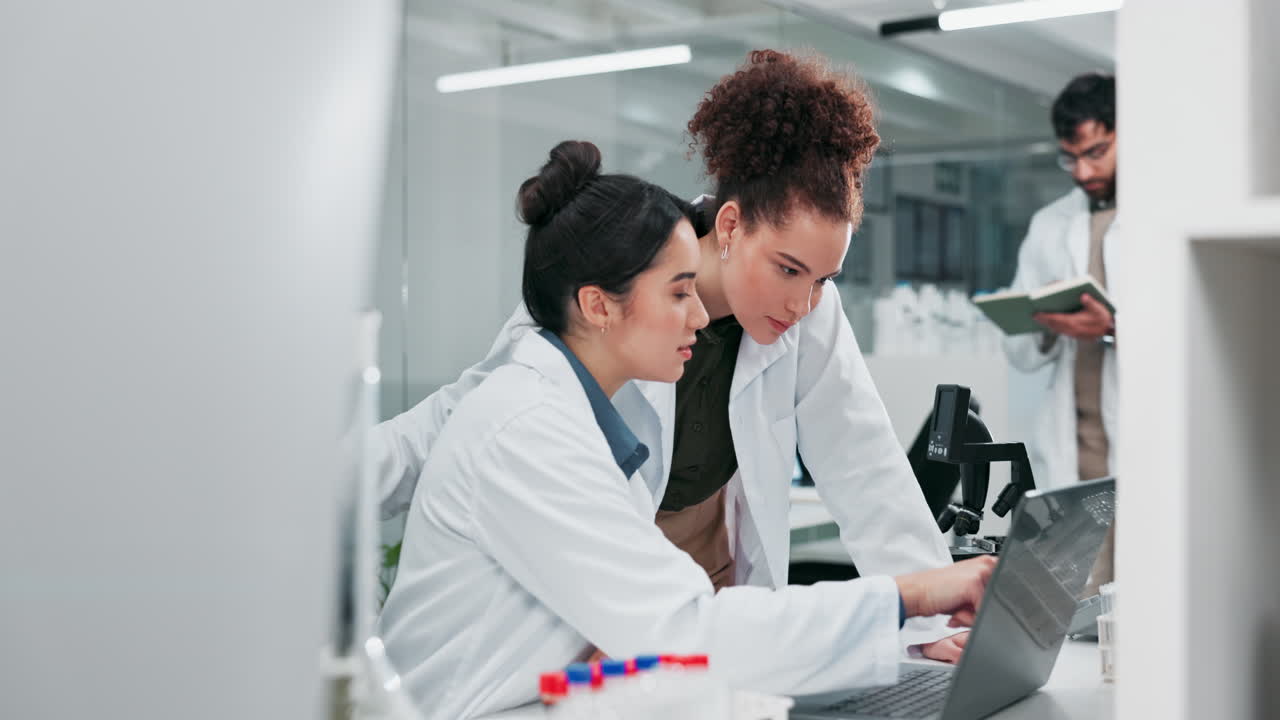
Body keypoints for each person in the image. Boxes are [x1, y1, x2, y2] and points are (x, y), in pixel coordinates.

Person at [371, 50, 966, 660]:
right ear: (730, 226)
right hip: (605, 561)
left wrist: (936, 616)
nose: (804, 302)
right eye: (789, 269)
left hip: (703, 572)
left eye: (823, 278)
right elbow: (473, 418)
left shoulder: (809, 314)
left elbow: (862, 463)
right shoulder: (610, 283)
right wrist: (307, 494)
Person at [1002, 73, 1118, 593]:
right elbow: (1020, 351)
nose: (1084, 171)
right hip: (1074, 450)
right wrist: (1046, 325)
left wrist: (1113, 327)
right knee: (1081, 602)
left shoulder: (1164, 216)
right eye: (1071, 158)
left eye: (1097, 152)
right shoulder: (1050, 223)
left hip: (1144, 443)